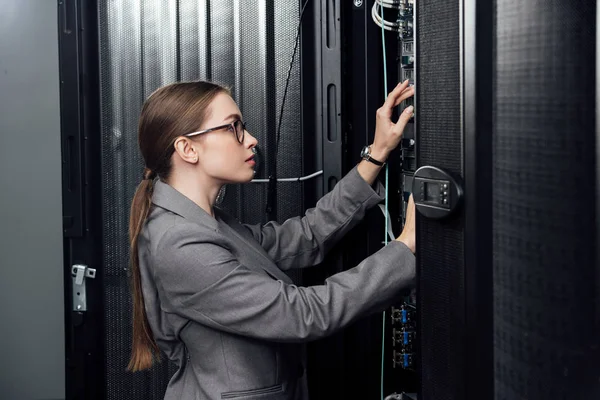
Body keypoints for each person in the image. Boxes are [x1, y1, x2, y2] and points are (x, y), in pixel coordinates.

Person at [127, 79, 416, 400]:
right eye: (233, 127)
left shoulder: (204, 221)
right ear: (188, 149)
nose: (251, 140)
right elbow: (302, 315)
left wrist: (376, 154)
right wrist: (405, 248)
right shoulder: (181, 244)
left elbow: (304, 237)